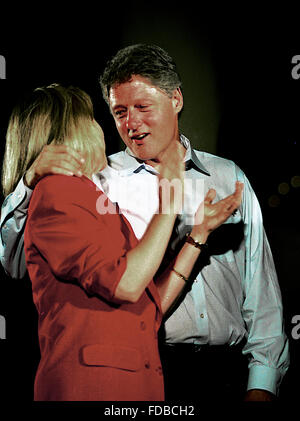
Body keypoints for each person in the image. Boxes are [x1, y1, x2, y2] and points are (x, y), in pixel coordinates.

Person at [0, 44, 289, 401]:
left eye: (142, 107)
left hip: (229, 374)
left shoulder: (228, 176)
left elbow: (262, 294)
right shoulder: (96, 181)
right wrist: (26, 185)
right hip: (147, 369)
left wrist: (262, 382)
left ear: (176, 100)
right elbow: (15, 261)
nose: (131, 123)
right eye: (119, 111)